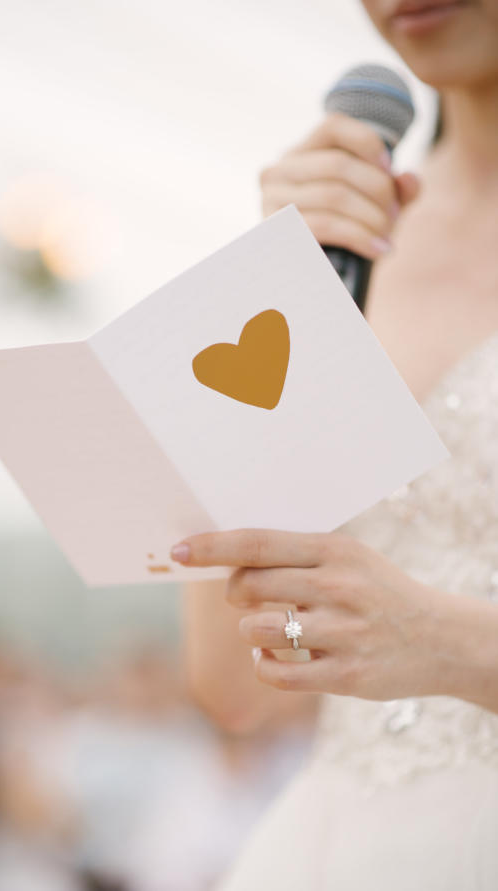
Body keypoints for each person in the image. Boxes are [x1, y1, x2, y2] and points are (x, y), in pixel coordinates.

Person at [175, 1, 498, 887]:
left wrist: (445, 640)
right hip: (329, 847)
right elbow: (231, 686)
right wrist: (272, 288)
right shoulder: (344, 236)